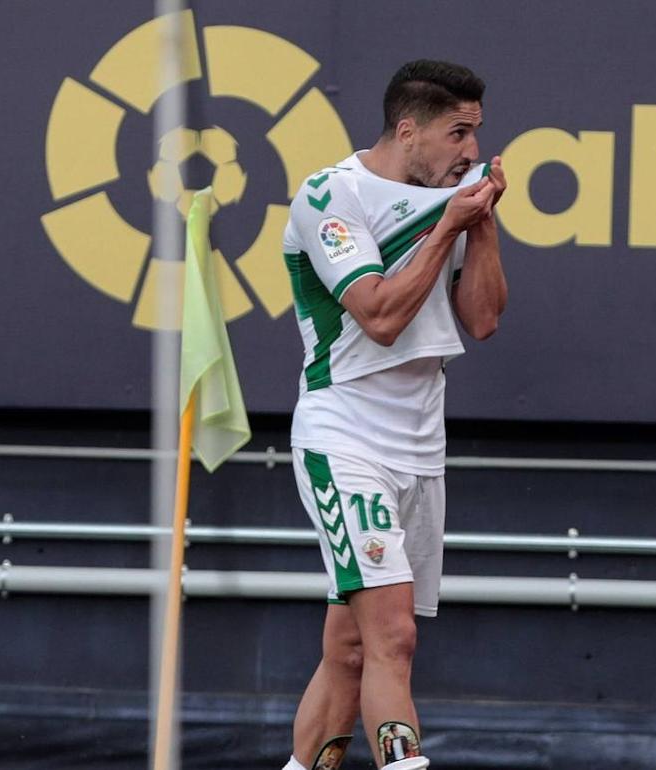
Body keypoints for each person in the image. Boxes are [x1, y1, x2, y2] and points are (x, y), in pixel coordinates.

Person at [279, 59, 507, 770]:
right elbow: (378, 315)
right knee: (394, 639)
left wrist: (482, 224)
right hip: (344, 437)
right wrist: (447, 226)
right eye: (457, 133)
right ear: (408, 131)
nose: (470, 150)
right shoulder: (331, 195)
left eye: (475, 133)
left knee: (349, 648)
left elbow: (484, 320)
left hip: (419, 446)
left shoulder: (456, 196)